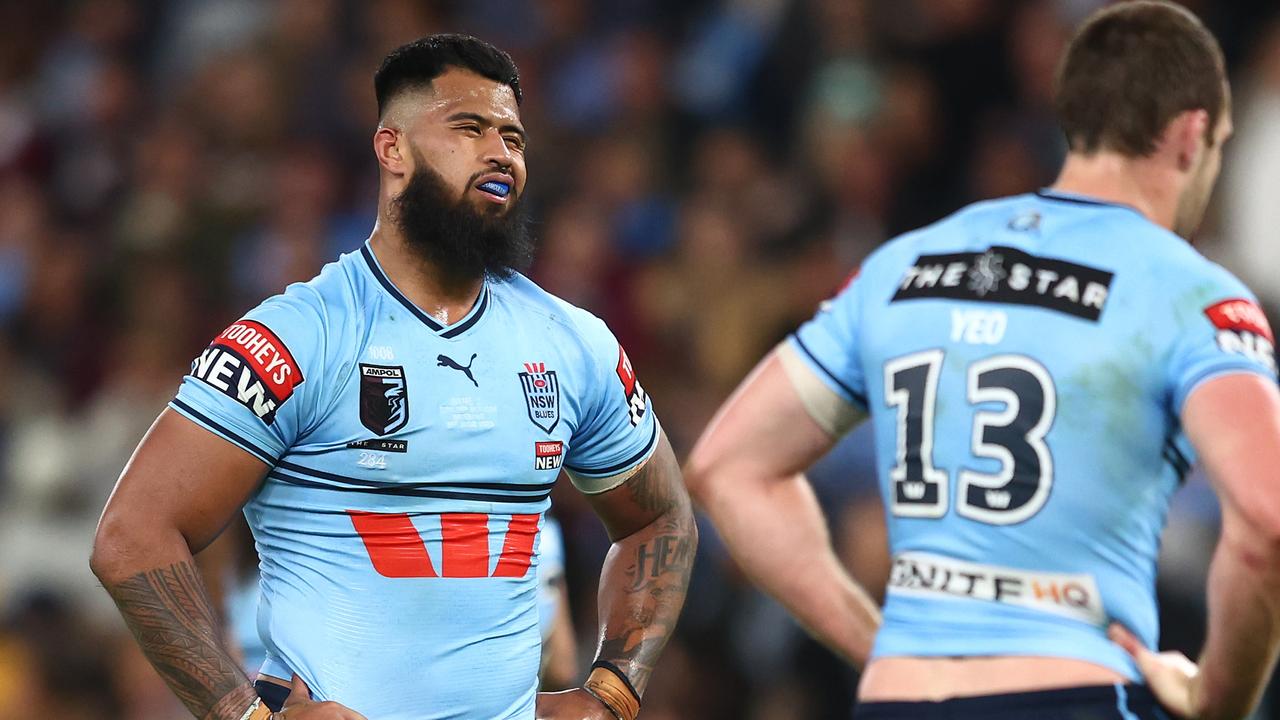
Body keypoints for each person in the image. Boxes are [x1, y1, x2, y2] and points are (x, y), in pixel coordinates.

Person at [685, 2, 1280, 718]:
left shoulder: (903, 264)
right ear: (1193, 137)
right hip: (1071, 687)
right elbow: (1267, 518)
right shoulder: (1191, 291)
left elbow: (726, 468)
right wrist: (1220, 698)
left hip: (899, 697)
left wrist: (877, 643)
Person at [90, 34, 696, 720]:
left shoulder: (570, 344)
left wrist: (613, 690)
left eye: (514, 137)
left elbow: (661, 518)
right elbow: (132, 536)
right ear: (393, 150)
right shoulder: (299, 336)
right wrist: (244, 714)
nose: (500, 153)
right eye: (468, 128)